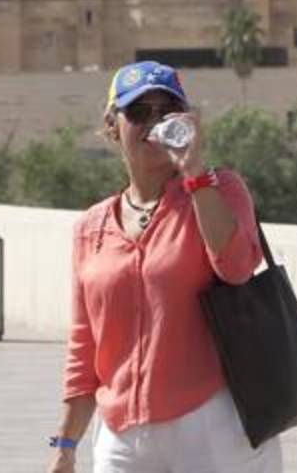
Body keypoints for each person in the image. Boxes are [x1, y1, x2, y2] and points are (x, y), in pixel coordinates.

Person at [48, 62, 281, 473]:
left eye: (166, 112)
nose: (153, 123)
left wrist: (195, 174)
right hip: (121, 433)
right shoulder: (92, 227)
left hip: (211, 422)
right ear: (111, 124)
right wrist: (66, 443)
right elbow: (85, 345)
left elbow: (236, 268)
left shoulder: (220, 189)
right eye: (139, 112)